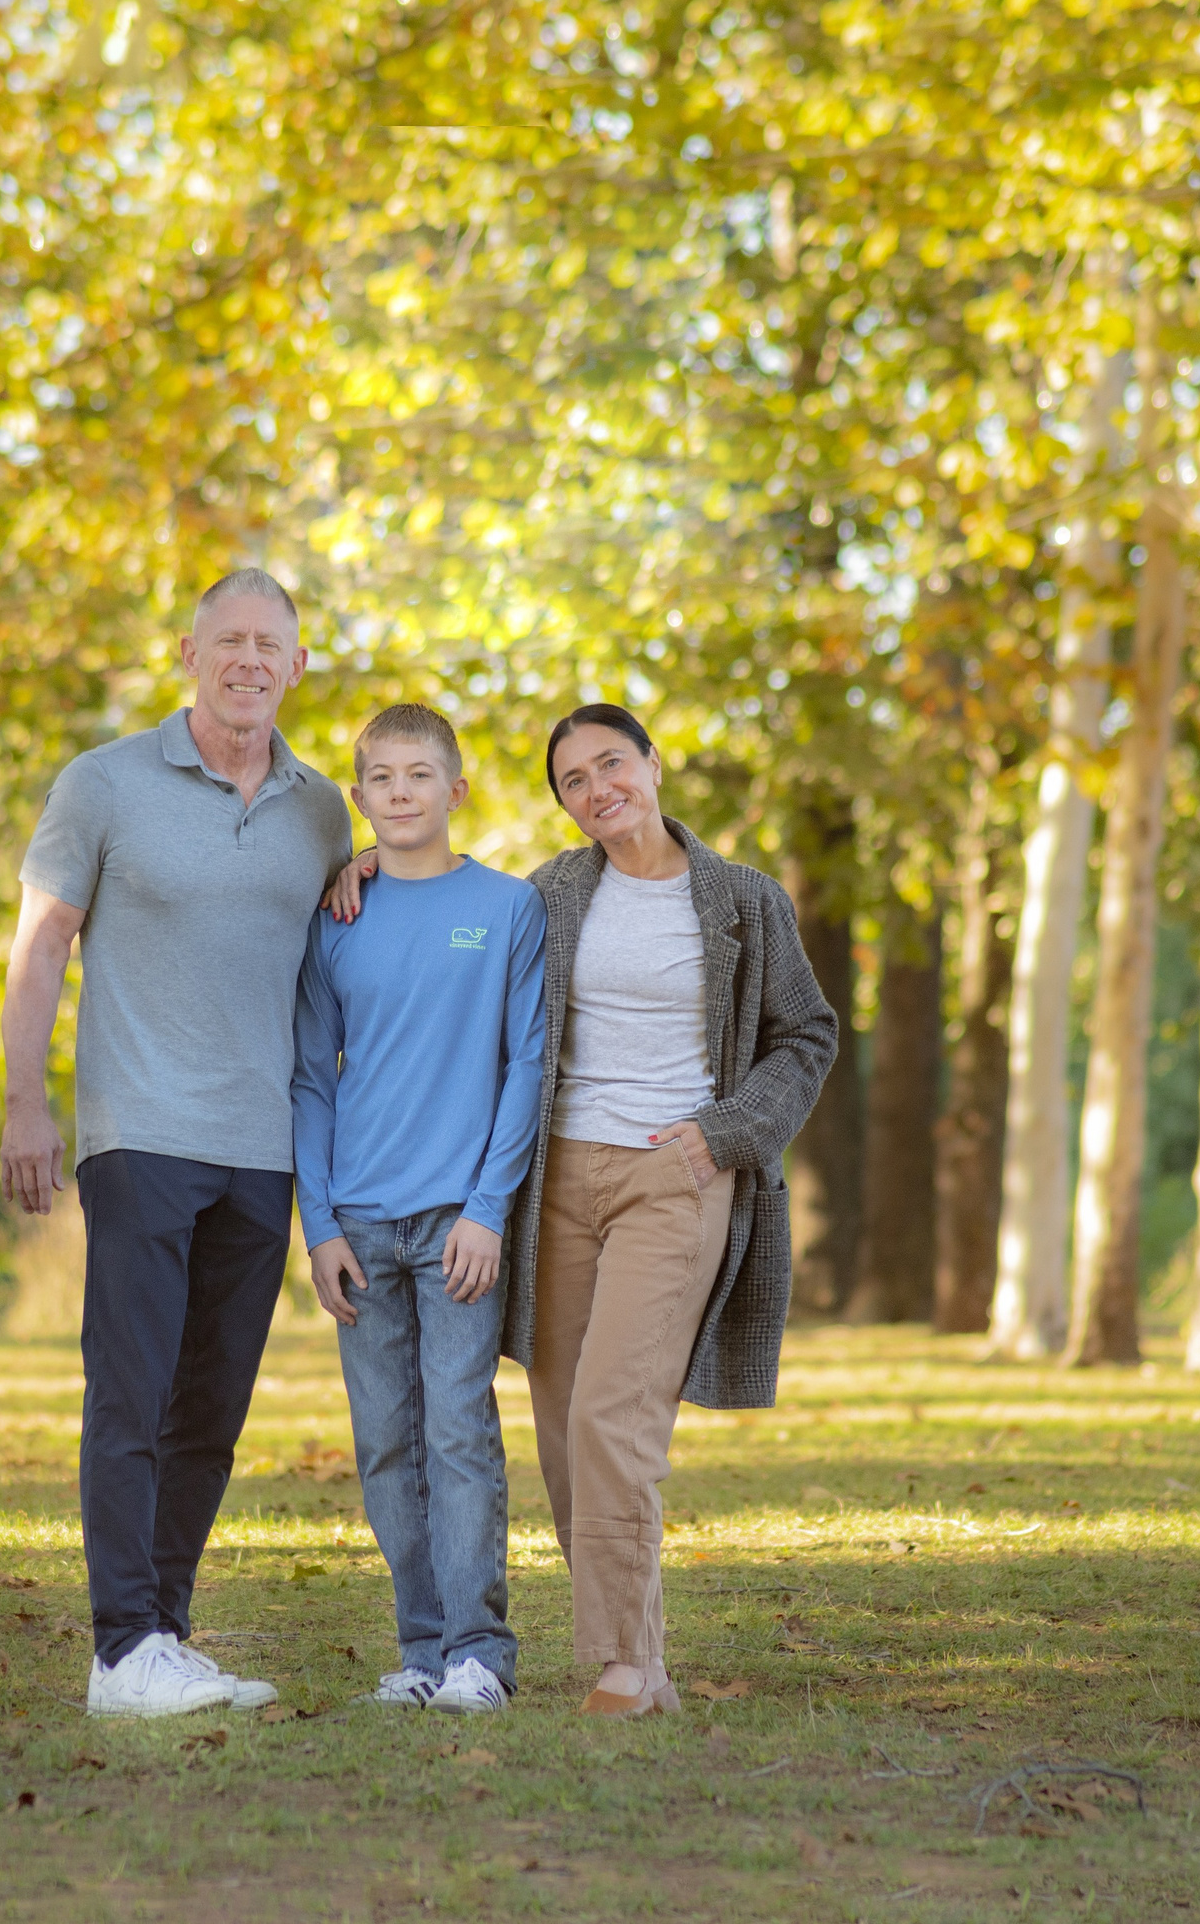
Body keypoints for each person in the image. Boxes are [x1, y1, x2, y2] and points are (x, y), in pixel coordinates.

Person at [0, 568, 355, 1719]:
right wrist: (25, 1102)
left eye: (271, 644)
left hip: (263, 1146)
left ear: (296, 667)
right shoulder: (102, 783)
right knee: (134, 1391)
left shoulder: (319, 807)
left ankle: (163, 1632)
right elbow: (43, 942)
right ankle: (118, 1649)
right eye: (228, 640)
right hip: (139, 1128)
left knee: (209, 1406)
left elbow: (337, 952)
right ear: (190, 654)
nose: (249, 659)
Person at [518, 703, 838, 1713]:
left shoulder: (743, 900)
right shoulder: (549, 895)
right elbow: (455, 936)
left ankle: (618, 1657)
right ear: (565, 803)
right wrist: (361, 872)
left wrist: (728, 1133)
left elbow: (806, 1034)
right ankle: (643, 1657)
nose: (597, 786)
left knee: (617, 1411)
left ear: (653, 763)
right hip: (559, 1176)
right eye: (573, 779)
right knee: (566, 1422)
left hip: (677, 1176)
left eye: (612, 761)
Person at [293, 704, 547, 1716]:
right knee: (386, 1441)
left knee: (458, 1431)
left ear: (457, 789)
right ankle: (422, 1648)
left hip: (456, 1221)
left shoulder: (509, 907)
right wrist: (317, 1226)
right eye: (382, 779)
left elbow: (526, 1060)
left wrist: (488, 1207)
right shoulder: (335, 918)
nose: (401, 793)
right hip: (358, 1220)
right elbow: (310, 1078)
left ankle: (481, 1650)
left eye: (419, 775)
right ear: (359, 800)